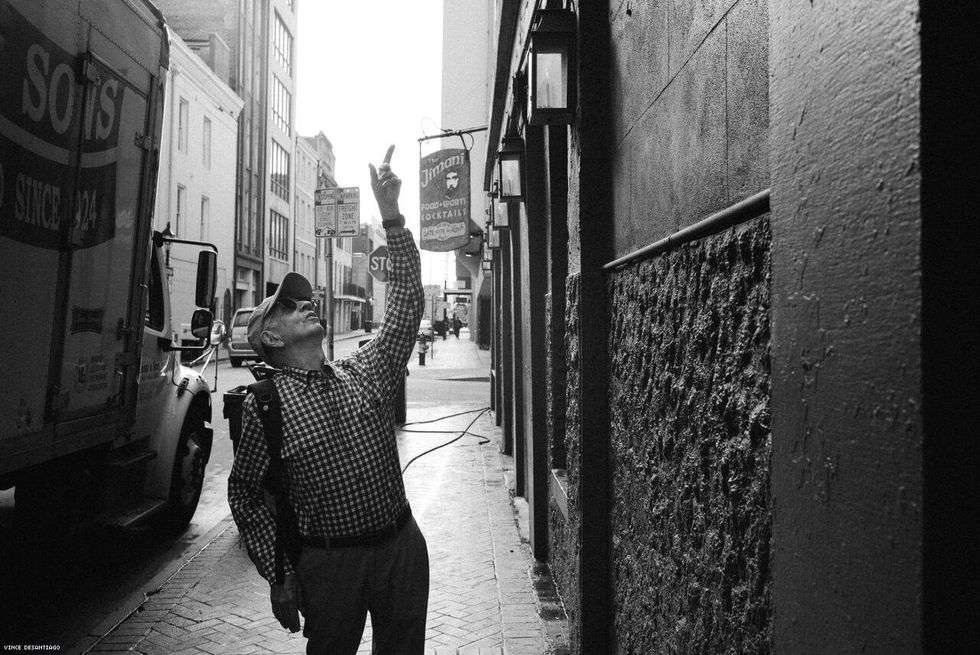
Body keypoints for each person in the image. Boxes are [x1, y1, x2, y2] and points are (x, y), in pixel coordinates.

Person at [228, 146, 428, 654]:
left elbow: (406, 306)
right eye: (289, 307)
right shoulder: (264, 406)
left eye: (305, 300)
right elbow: (245, 495)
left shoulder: (366, 369)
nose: (306, 304)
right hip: (329, 563)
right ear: (270, 338)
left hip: (399, 548)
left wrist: (392, 216)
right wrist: (278, 574)